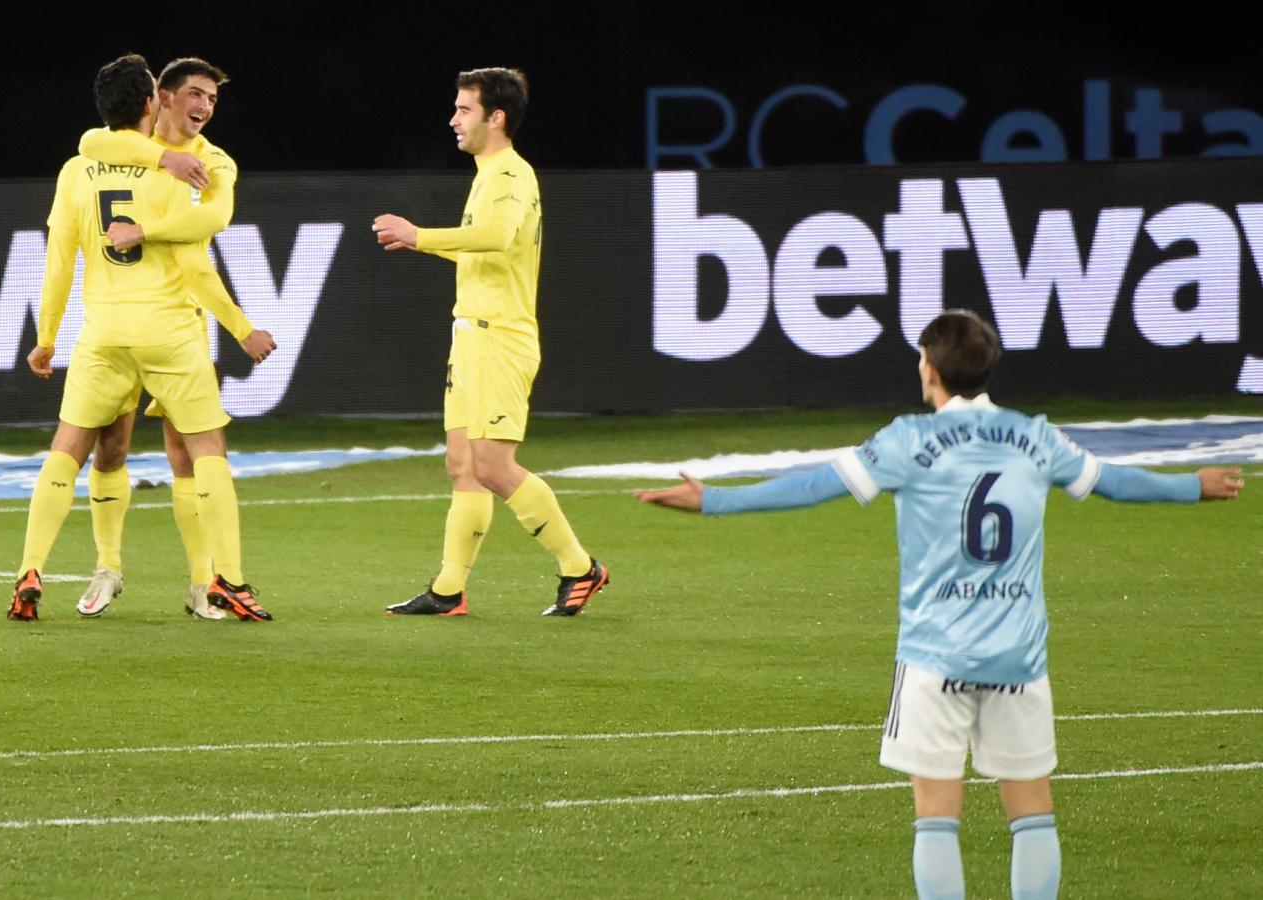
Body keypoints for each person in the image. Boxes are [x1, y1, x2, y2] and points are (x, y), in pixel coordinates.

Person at [636, 310, 1243, 900]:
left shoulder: (907, 441)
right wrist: (1195, 486)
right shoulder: (1036, 437)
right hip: (1018, 658)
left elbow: (814, 485)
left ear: (929, 369)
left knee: (936, 815)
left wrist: (714, 500)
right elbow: (1114, 480)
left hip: (935, 656)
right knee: (1032, 812)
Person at [8, 53, 270, 623]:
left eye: (213, 98)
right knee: (171, 451)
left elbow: (60, 254)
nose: (204, 106)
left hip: (104, 330)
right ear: (160, 98)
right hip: (172, 328)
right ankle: (202, 577)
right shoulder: (167, 167)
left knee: (98, 448)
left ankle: (195, 582)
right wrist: (243, 328)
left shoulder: (103, 161)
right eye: (194, 94)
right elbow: (199, 259)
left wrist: (46, 334)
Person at [373, 67, 608, 617]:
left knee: (495, 465)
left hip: (502, 337)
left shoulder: (510, 174)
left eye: (463, 110)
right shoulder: (486, 174)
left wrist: (420, 234)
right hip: (470, 337)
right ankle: (449, 590)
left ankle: (580, 567)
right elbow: (482, 249)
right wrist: (421, 246)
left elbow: (499, 238)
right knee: (463, 464)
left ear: (495, 117)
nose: (453, 119)